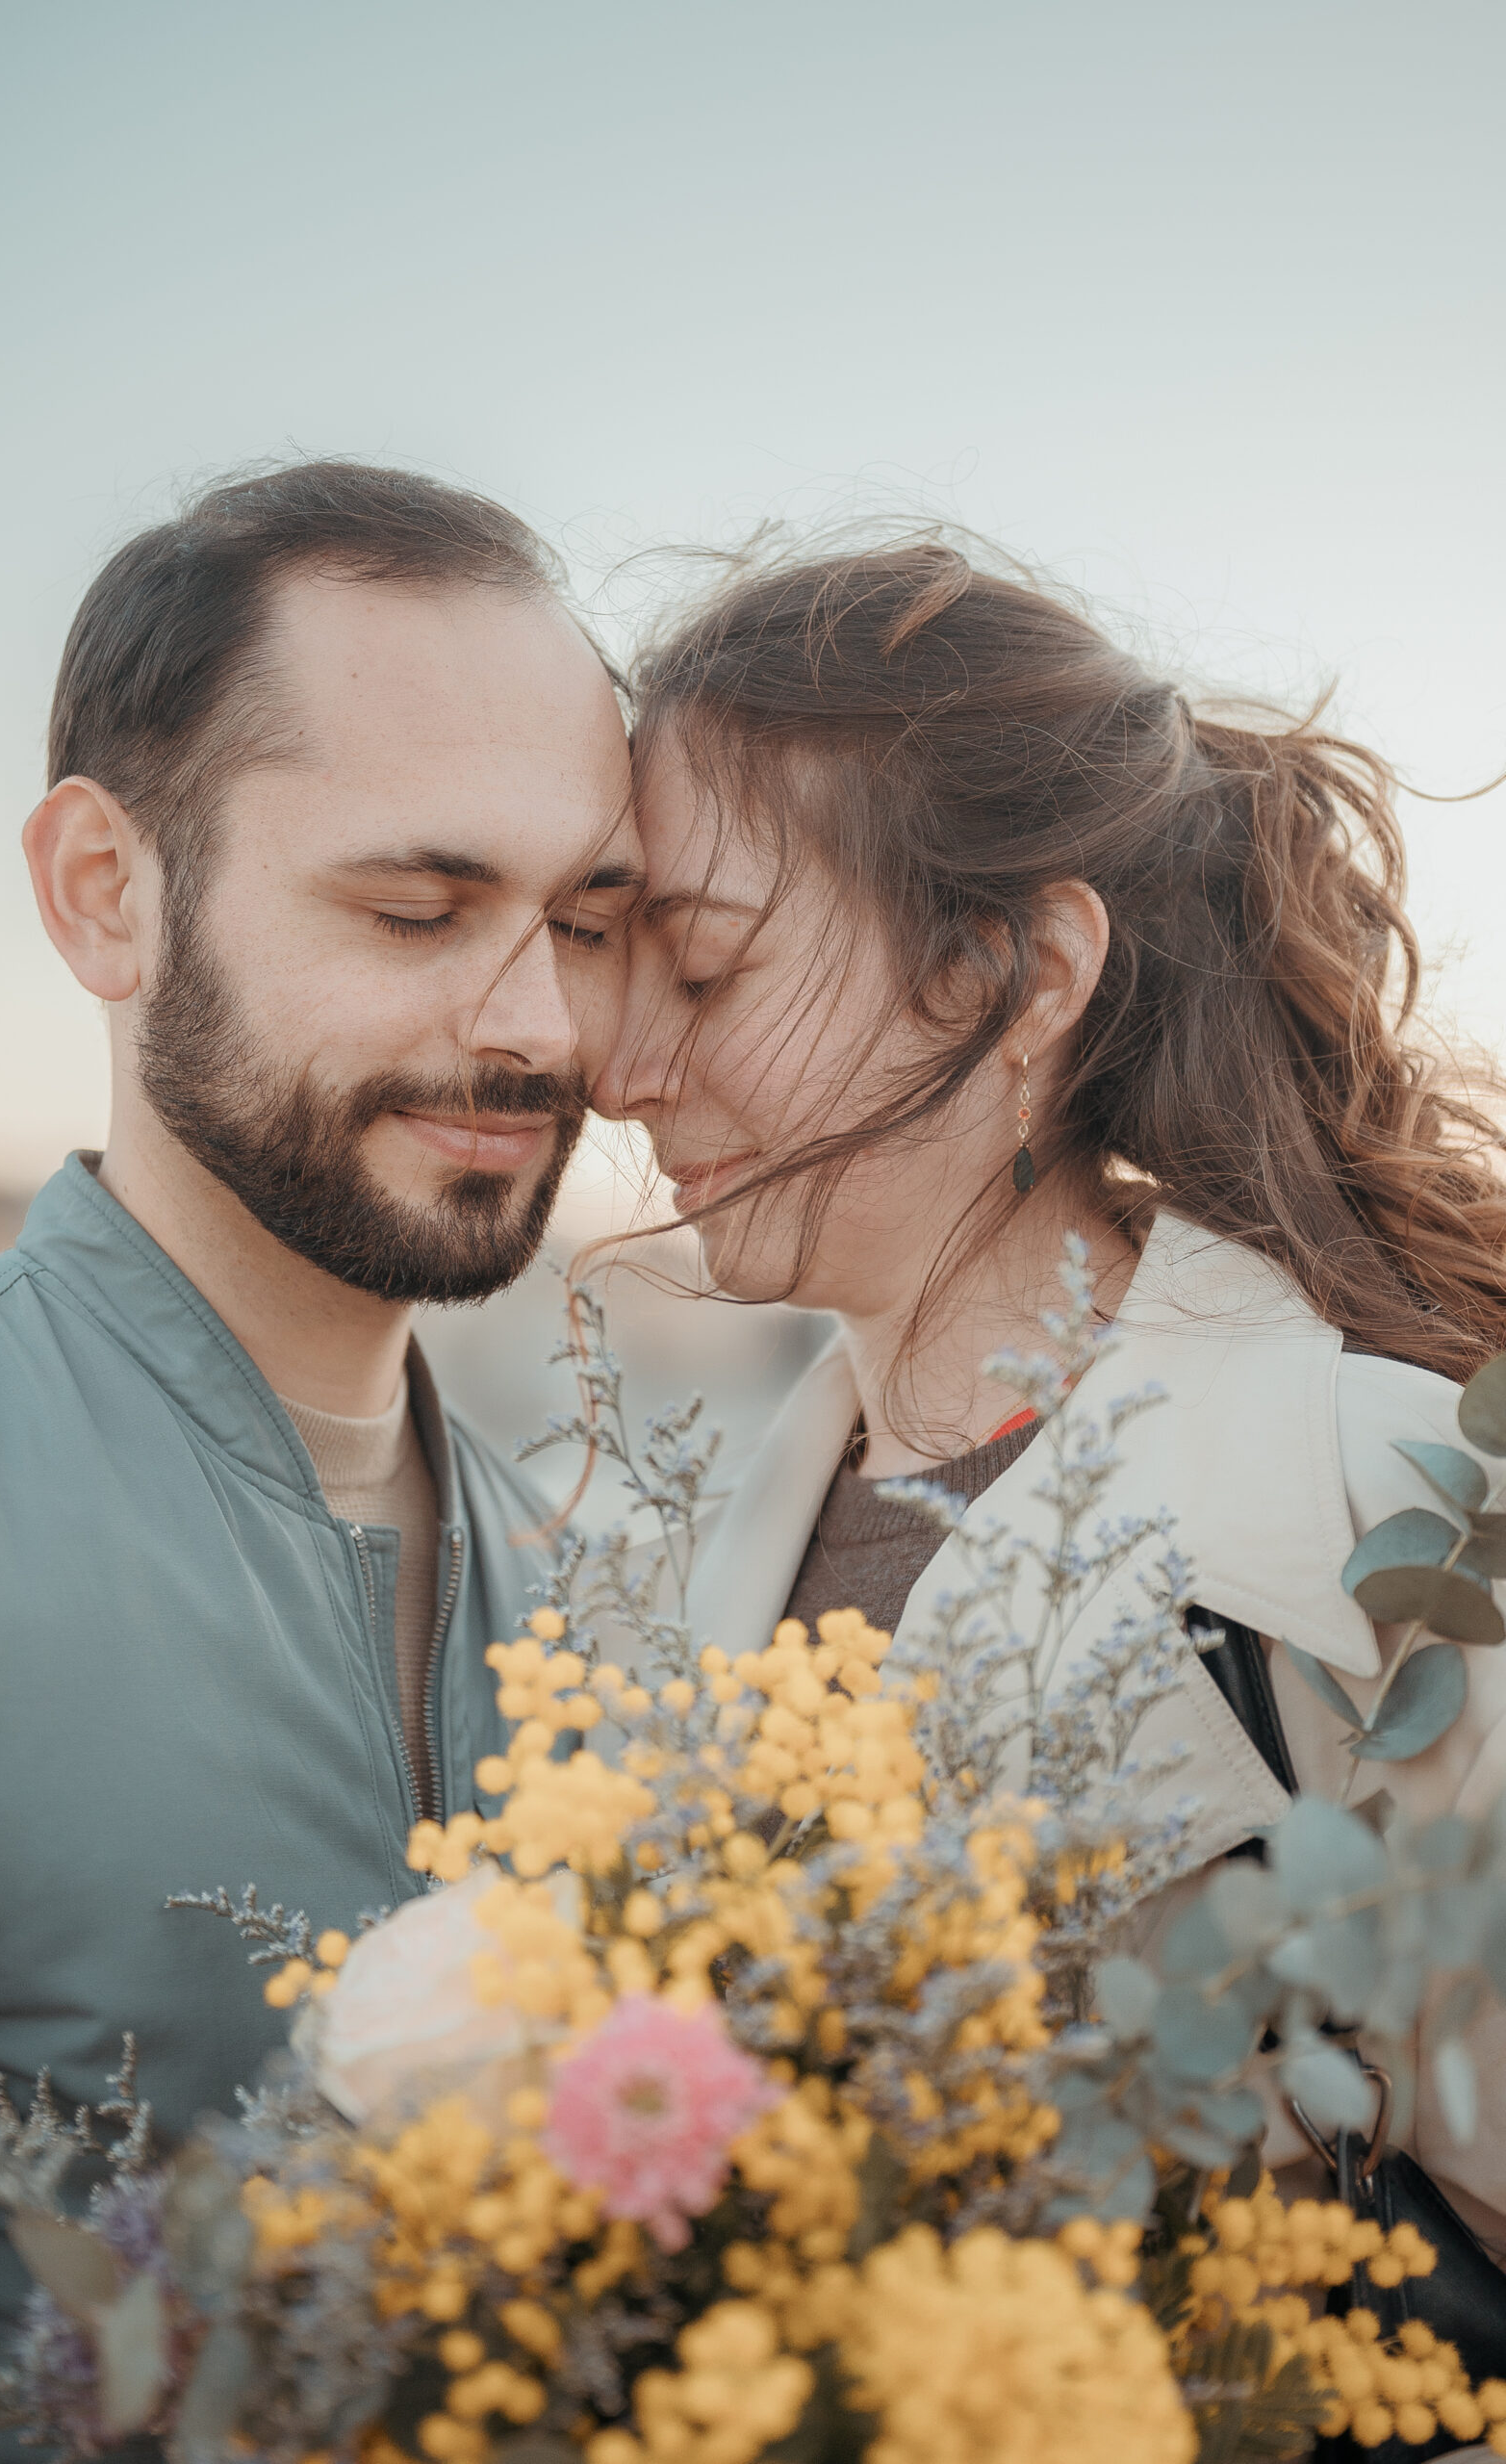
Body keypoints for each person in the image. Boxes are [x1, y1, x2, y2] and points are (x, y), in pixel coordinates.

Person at [594, 535, 1506, 2263]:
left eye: (702, 972)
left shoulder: (1398, 1513)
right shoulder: (702, 1546)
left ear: (1018, 979)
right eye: (613, 963)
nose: (627, 1069)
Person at [0, 460, 639, 2424]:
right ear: (106, 895)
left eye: (587, 916)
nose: (538, 1021)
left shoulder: (591, 1579)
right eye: (415, 905)